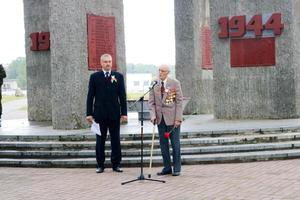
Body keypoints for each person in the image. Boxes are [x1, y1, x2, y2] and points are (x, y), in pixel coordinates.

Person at [86, 54, 127, 173]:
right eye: (105, 62)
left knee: (115, 140)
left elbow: (122, 96)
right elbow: (90, 96)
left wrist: (124, 113)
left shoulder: (118, 76)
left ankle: (116, 164)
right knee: (100, 140)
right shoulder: (94, 77)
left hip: (114, 114)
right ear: (101, 63)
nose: (108, 63)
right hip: (99, 114)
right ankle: (100, 165)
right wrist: (89, 113)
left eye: (109, 61)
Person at [148, 64, 183, 176]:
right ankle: (167, 167)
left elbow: (179, 101)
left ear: (168, 72)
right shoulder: (154, 83)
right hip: (160, 119)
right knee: (163, 145)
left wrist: (178, 118)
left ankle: (177, 168)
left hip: (172, 119)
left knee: (175, 144)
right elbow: (151, 102)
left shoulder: (175, 83)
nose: (160, 73)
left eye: (163, 71)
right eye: (159, 70)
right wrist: (153, 115)